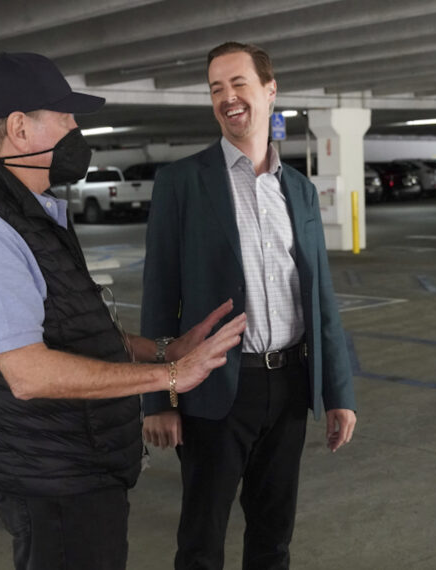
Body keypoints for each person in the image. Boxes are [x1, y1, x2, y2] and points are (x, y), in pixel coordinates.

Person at [0, 52, 246, 570]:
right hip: (52, 478)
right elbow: (26, 372)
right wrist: (172, 375)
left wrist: (165, 347)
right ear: (19, 128)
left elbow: (74, 330)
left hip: (75, 467)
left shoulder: (29, 209)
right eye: (65, 117)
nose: (76, 130)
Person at [140, 42, 357, 569]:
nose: (228, 98)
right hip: (213, 387)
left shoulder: (300, 191)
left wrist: (338, 392)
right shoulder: (182, 183)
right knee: (201, 541)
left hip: (287, 388)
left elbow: (320, 298)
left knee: (273, 537)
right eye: (216, 88)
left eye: (238, 84)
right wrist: (160, 396)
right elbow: (159, 293)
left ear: (269, 90)